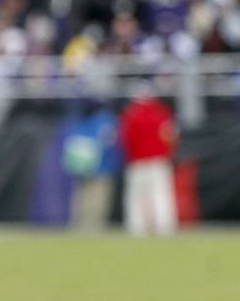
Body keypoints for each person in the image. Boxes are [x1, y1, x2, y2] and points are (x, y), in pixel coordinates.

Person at [119, 90, 178, 235]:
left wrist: (130, 157)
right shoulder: (162, 113)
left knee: (135, 198)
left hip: (137, 162)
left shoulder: (131, 114)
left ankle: (136, 228)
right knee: (161, 195)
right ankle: (165, 227)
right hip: (158, 161)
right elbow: (170, 137)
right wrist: (166, 153)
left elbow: (126, 140)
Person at [62, 99, 120, 232]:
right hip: (94, 166)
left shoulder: (89, 120)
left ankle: (88, 225)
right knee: (91, 197)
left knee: (91, 197)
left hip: (97, 166)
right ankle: (87, 225)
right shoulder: (103, 121)